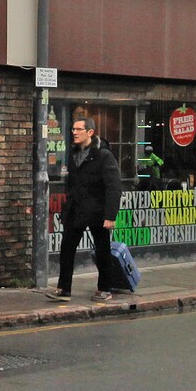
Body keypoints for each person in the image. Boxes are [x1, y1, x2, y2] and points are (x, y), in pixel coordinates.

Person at [53, 113, 128, 302]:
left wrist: (110, 215)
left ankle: (104, 289)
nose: (74, 133)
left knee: (102, 251)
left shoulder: (103, 155)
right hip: (76, 210)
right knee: (67, 249)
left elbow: (114, 187)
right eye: (73, 129)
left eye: (78, 129)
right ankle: (64, 289)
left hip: (97, 211)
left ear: (90, 132)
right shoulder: (74, 154)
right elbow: (71, 183)